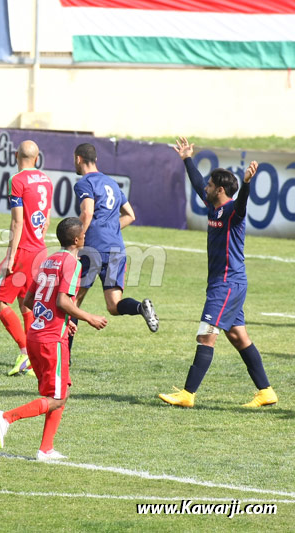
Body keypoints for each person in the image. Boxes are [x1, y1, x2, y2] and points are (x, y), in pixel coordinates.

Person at [158, 137, 277, 408]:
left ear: (221, 189)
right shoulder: (214, 205)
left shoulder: (234, 211)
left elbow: (243, 204)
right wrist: (187, 158)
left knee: (205, 336)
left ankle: (187, 395)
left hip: (227, 284)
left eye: (211, 185)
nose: (206, 188)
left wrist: (246, 184)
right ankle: (266, 391)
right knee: (238, 336)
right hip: (223, 283)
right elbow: (198, 183)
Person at [0, 217, 107, 460]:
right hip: (51, 339)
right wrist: (88, 317)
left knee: (62, 389)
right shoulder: (73, 263)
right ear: (77, 240)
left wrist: (63, 321)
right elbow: (63, 301)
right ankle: (7, 417)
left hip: (36, 334)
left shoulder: (49, 260)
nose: (86, 237)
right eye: (83, 234)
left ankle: (46, 449)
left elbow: (30, 301)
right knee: (56, 398)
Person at [71, 143, 158, 349]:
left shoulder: (85, 183)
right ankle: (140, 307)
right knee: (114, 305)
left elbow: (87, 213)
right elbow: (130, 215)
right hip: (116, 249)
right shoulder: (111, 183)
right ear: (96, 160)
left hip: (93, 248)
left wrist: (78, 242)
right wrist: (109, 229)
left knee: (73, 302)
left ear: (78, 159)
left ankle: (65, 359)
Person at [0, 140, 53, 377]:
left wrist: (10, 256)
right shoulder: (46, 180)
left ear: (16, 155)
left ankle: (26, 353)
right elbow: (46, 219)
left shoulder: (17, 180)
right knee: (26, 303)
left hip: (23, 250)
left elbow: (17, 221)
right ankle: (34, 360)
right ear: (37, 158)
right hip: (40, 249)